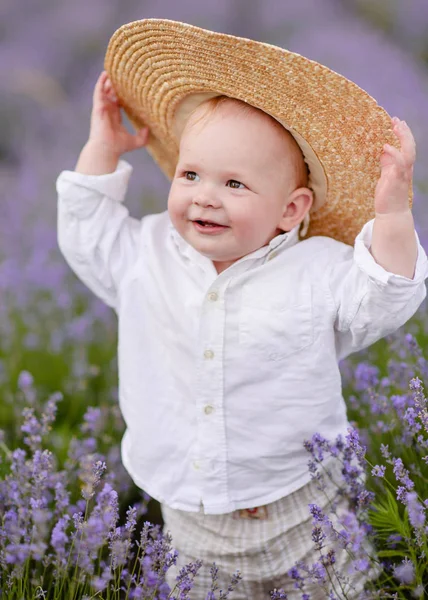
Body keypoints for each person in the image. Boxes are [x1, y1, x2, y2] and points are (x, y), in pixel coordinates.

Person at [56, 19, 428, 599]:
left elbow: (384, 297)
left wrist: (393, 215)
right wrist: (102, 146)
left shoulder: (317, 269)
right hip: (191, 516)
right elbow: (88, 236)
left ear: (290, 209)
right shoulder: (146, 253)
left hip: (306, 514)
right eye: (191, 174)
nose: (205, 194)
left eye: (234, 183)